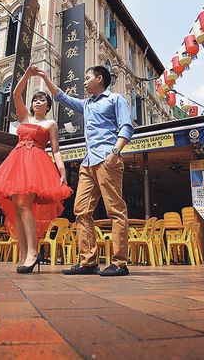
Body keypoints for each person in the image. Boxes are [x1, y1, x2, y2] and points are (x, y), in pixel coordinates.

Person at [37, 65, 134, 277]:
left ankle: (119, 263)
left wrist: (115, 152)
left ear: (99, 79)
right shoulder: (87, 104)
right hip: (88, 163)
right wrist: (45, 77)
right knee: (81, 210)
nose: (83, 81)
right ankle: (88, 261)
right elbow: (61, 97)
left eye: (87, 77)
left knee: (115, 211)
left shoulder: (115, 99)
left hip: (107, 160)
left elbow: (127, 127)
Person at [0, 65, 72, 274]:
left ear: (48, 106)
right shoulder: (24, 117)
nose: (37, 102)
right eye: (35, 99)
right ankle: (24, 254)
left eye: (42, 100)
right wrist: (27, 74)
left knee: (24, 205)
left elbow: (57, 151)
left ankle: (33, 251)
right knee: (17, 209)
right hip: (16, 163)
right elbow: (15, 94)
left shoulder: (50, 124)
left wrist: (63, 172)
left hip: (36, 165)